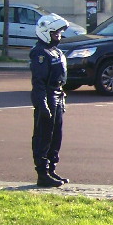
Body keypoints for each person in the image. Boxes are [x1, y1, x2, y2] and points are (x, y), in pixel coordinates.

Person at [31, 13, 70, 188]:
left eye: (59, 33)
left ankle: (52, 168)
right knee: (44, 135)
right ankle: (42, 173)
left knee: (56, 136)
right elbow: (38, 82)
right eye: (55, 34)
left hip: (57, 94)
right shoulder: (40, 52)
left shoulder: (55, 50)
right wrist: (42, 103)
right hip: (47, 95)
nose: (58, 37)